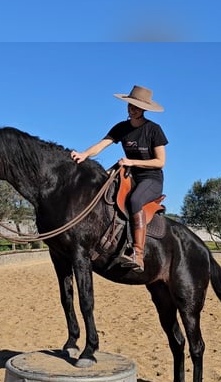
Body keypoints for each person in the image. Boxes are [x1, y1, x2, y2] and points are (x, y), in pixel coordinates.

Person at [71, 85, 168, 273]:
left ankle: (138, 254)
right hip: (128, 176)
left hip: (151, 179)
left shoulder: (154, 130)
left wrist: (131, 161)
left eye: (136, 107)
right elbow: (101, 145)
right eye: (130, 105)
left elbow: (160, 162)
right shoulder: (121, 128)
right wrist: (83, 155)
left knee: (135, 200)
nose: (132, 109)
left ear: (144, 109)